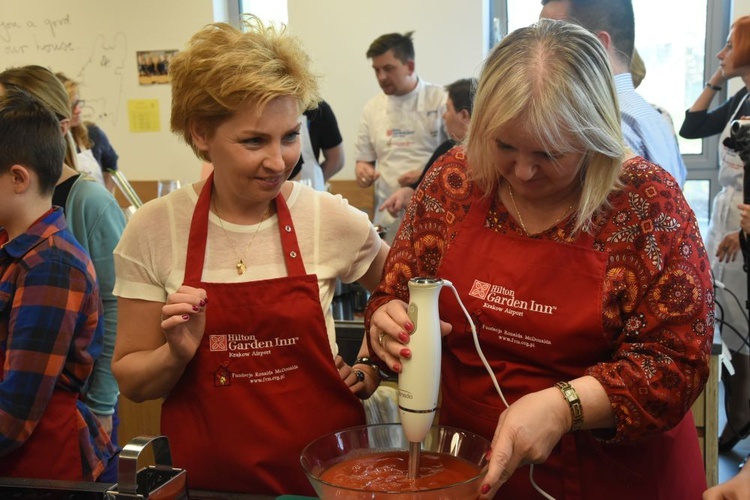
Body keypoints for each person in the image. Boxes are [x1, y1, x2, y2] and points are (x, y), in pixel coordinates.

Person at [365, 19, 713, 499]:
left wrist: (564, 405)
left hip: (614, 479)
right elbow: (396, 291)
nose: (523, 172)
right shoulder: (453, 183)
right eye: (504, 146)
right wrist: (386, 323)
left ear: (594, 138)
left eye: (548, 154)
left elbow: (677, 364)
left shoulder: (647, 205)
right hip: (471, 469)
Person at [111, 16, 389, 496]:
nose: (279, 161)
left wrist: (370, 368)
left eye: (289, 136)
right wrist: (174, 354)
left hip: (327, 481)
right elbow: (132, 380)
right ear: (201, 134)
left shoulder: (329, 219)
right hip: (209, 486)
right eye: (254, 141)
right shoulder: (154, 228)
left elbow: (405, 295)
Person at [0, 65, 127, 482]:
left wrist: (106, 405)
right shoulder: (17, 249)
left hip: (39, 470)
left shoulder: (50, 266)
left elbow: (14, 414)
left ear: (18, 178)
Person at [679, 15, 750, 453]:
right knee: (729, 320)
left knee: (743, 321)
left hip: (744, 221)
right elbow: (693, 126)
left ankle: (741, 412)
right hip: (728, 217)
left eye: (729, 45)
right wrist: (718, 77)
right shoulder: (741, 99)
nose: (722, 53)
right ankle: (738, 409)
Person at [540, 0, 688, 187]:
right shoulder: (652, 117)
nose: (539, 48)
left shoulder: (603, 126)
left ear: (599, 45)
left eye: (555, 37)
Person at [354, 31, 446, 241]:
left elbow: (461, 155)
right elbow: (363, 161)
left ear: (410, 66)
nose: (381, 77)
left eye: (388, 69)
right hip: (389, 212)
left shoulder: (440, 100)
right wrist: (364, 172)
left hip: (436, 210)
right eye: (376, 70)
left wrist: (424, 175)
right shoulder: (372, 108)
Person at [379, 77, 475, 217]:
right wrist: (406, 193)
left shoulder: (480, 156)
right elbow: (419, 187)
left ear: (464, 115)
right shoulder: (446, 149)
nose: (444, 116)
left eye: (448, 109)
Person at [55, 72, 120, 193]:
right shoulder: (49, 144)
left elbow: (112, 165)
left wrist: (107, 197)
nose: (78, 110)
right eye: (72, 105)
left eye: (78, 103)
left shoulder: (92, 134)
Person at [288, 99, 345, 190]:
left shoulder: (317, 108)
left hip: (308, 196)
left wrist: (316, 180)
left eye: (290, 136)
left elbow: (337, 160)